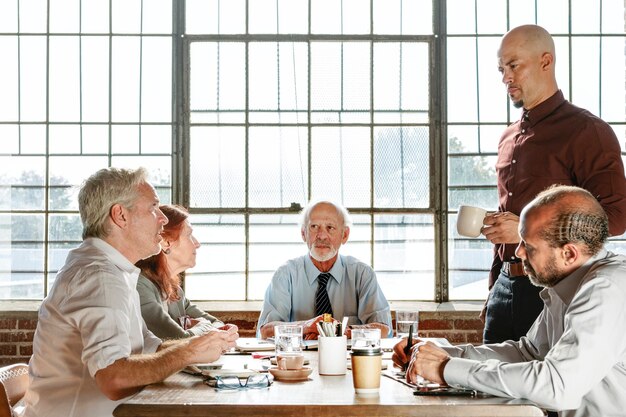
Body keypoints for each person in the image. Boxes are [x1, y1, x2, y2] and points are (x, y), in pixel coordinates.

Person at [22, 168, 238, 417]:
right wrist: (188, 352)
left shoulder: (115, 270)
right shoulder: (100, 277)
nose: (163, 219)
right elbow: (113, 378)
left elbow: (149, 348)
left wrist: (197, 345)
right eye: (153, 208)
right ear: (120, 215)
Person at [393, 185, 626, 417]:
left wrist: (446, 368)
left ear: (569, 254)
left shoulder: (607, 288)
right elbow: (528, 353)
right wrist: (442, 353)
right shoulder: (567, 280)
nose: (519, 252)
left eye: (529, 246)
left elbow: (556, 386)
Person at [480, 24, 626, 343]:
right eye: (501, 68)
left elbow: (616, 217)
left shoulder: (588, 132)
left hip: (558, 291)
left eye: (514, 65)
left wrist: (523, 229)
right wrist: (494, 289)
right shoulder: (507, 138)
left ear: (546, 61)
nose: (506, 76)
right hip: (504, 288)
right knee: (487, 388)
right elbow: (507, 219)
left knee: (547, 391)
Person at [257, 200, 392, 340]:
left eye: (330, 227)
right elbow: (266, 331)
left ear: (344, 235)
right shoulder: (285, 274)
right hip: (298, 359)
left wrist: (339, 331)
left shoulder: (362, 274)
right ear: (303, 233)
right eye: (314, 227)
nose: (321, 235)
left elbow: (383, 329)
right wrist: (308, 326)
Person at [135, 204, 237, 339]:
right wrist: (202, 326)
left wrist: (198, 327)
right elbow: (180, 339)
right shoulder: (140, 286)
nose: (197, 243)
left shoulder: (174, 290)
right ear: (166, 242)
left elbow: (219, 325)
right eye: (189, 235)